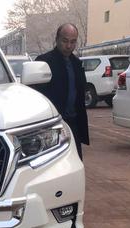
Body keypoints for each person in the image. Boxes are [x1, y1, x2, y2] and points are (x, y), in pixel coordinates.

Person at [33, 23, 89, 159]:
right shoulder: (43, 63)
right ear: (57, 39)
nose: (69, 46)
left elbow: (80, 96)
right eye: (65, 41)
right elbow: (36, 97)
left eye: (73, 42)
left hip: (73, 123)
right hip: (51, 126)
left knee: (75, 161)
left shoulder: (77, 64)